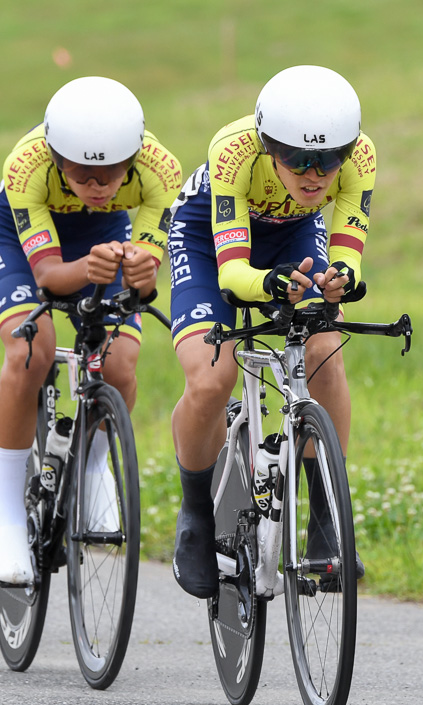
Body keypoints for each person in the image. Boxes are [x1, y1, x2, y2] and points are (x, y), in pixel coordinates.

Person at [167, 64, 376, 599]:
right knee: (212, 380)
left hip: (292, 235)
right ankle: (195, 512)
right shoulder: (233, 150)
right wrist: (271, 283)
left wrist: (340, 282)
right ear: (266, 146)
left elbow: (348, 258)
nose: (314, 174)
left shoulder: (362, 158)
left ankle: (327, 515)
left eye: (329, 160)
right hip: (207, 239)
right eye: (297, 159)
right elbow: (235, 276)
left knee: (325, 348)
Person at [0, 76, 182, 585]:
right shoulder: (25, 166)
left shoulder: (162, 170)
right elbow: (49, 277)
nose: (96, 183)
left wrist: (141, 268)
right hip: (21, 239)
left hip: (104, 235)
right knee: (32, 349)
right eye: (80, 170)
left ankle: (94, 465)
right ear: (53, 155)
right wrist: (92, 268)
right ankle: (7, 515)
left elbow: (148, 272)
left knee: (118, 363)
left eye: (111, 171)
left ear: (135, 158)